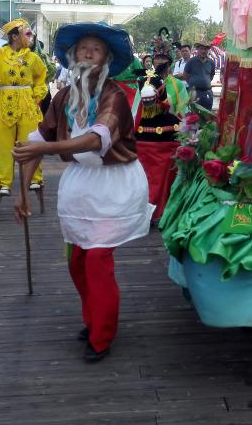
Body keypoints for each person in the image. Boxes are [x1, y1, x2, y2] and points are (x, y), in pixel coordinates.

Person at [13, 22, 153, 363]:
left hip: (114, 186)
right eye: (83, 48)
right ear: (73, 55)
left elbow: (95, 139)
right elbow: (36, 142)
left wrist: (45, 150)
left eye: (97, 49)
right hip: (80, 187)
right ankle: (94, 320)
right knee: (77, 262)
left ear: (106, 58)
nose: (89, 53)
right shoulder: (63, 97)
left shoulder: (113, 96)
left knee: (97, 259)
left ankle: (102, 336)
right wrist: (24, 192)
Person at [0, 18, 47, 196]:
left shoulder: (33, 58)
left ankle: (34, 178)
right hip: (4, 102)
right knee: (1, 143)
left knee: (30, 141)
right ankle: (3, 180)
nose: (31, 37)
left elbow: (41, 78)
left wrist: (37, 95)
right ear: (15, 36)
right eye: (28, 34)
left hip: (27, 104)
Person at [134, 51, 189, 222]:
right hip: (146, 135)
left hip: (170, 133)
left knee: (167, 176)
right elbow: (137, 107)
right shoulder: (145, 80)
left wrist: (186, 129)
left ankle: (165, 210)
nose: (159, 61)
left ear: (169, 62)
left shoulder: (177, 84)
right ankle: (145, 210)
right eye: (156, 58)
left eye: (163, 59)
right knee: (146, 176)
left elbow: (183, 109)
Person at [184, 41, 216, 111]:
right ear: (197, 49)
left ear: (208, 50)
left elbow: (211, 75)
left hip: (207, 92)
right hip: (194, 92)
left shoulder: (211, 62)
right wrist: (193, 83)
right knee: (194, 114)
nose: (203, 51)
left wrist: (204, 82)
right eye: (201, 49)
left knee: (207, 113)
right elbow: (185, 75)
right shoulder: (191, 61)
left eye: (205, 49)